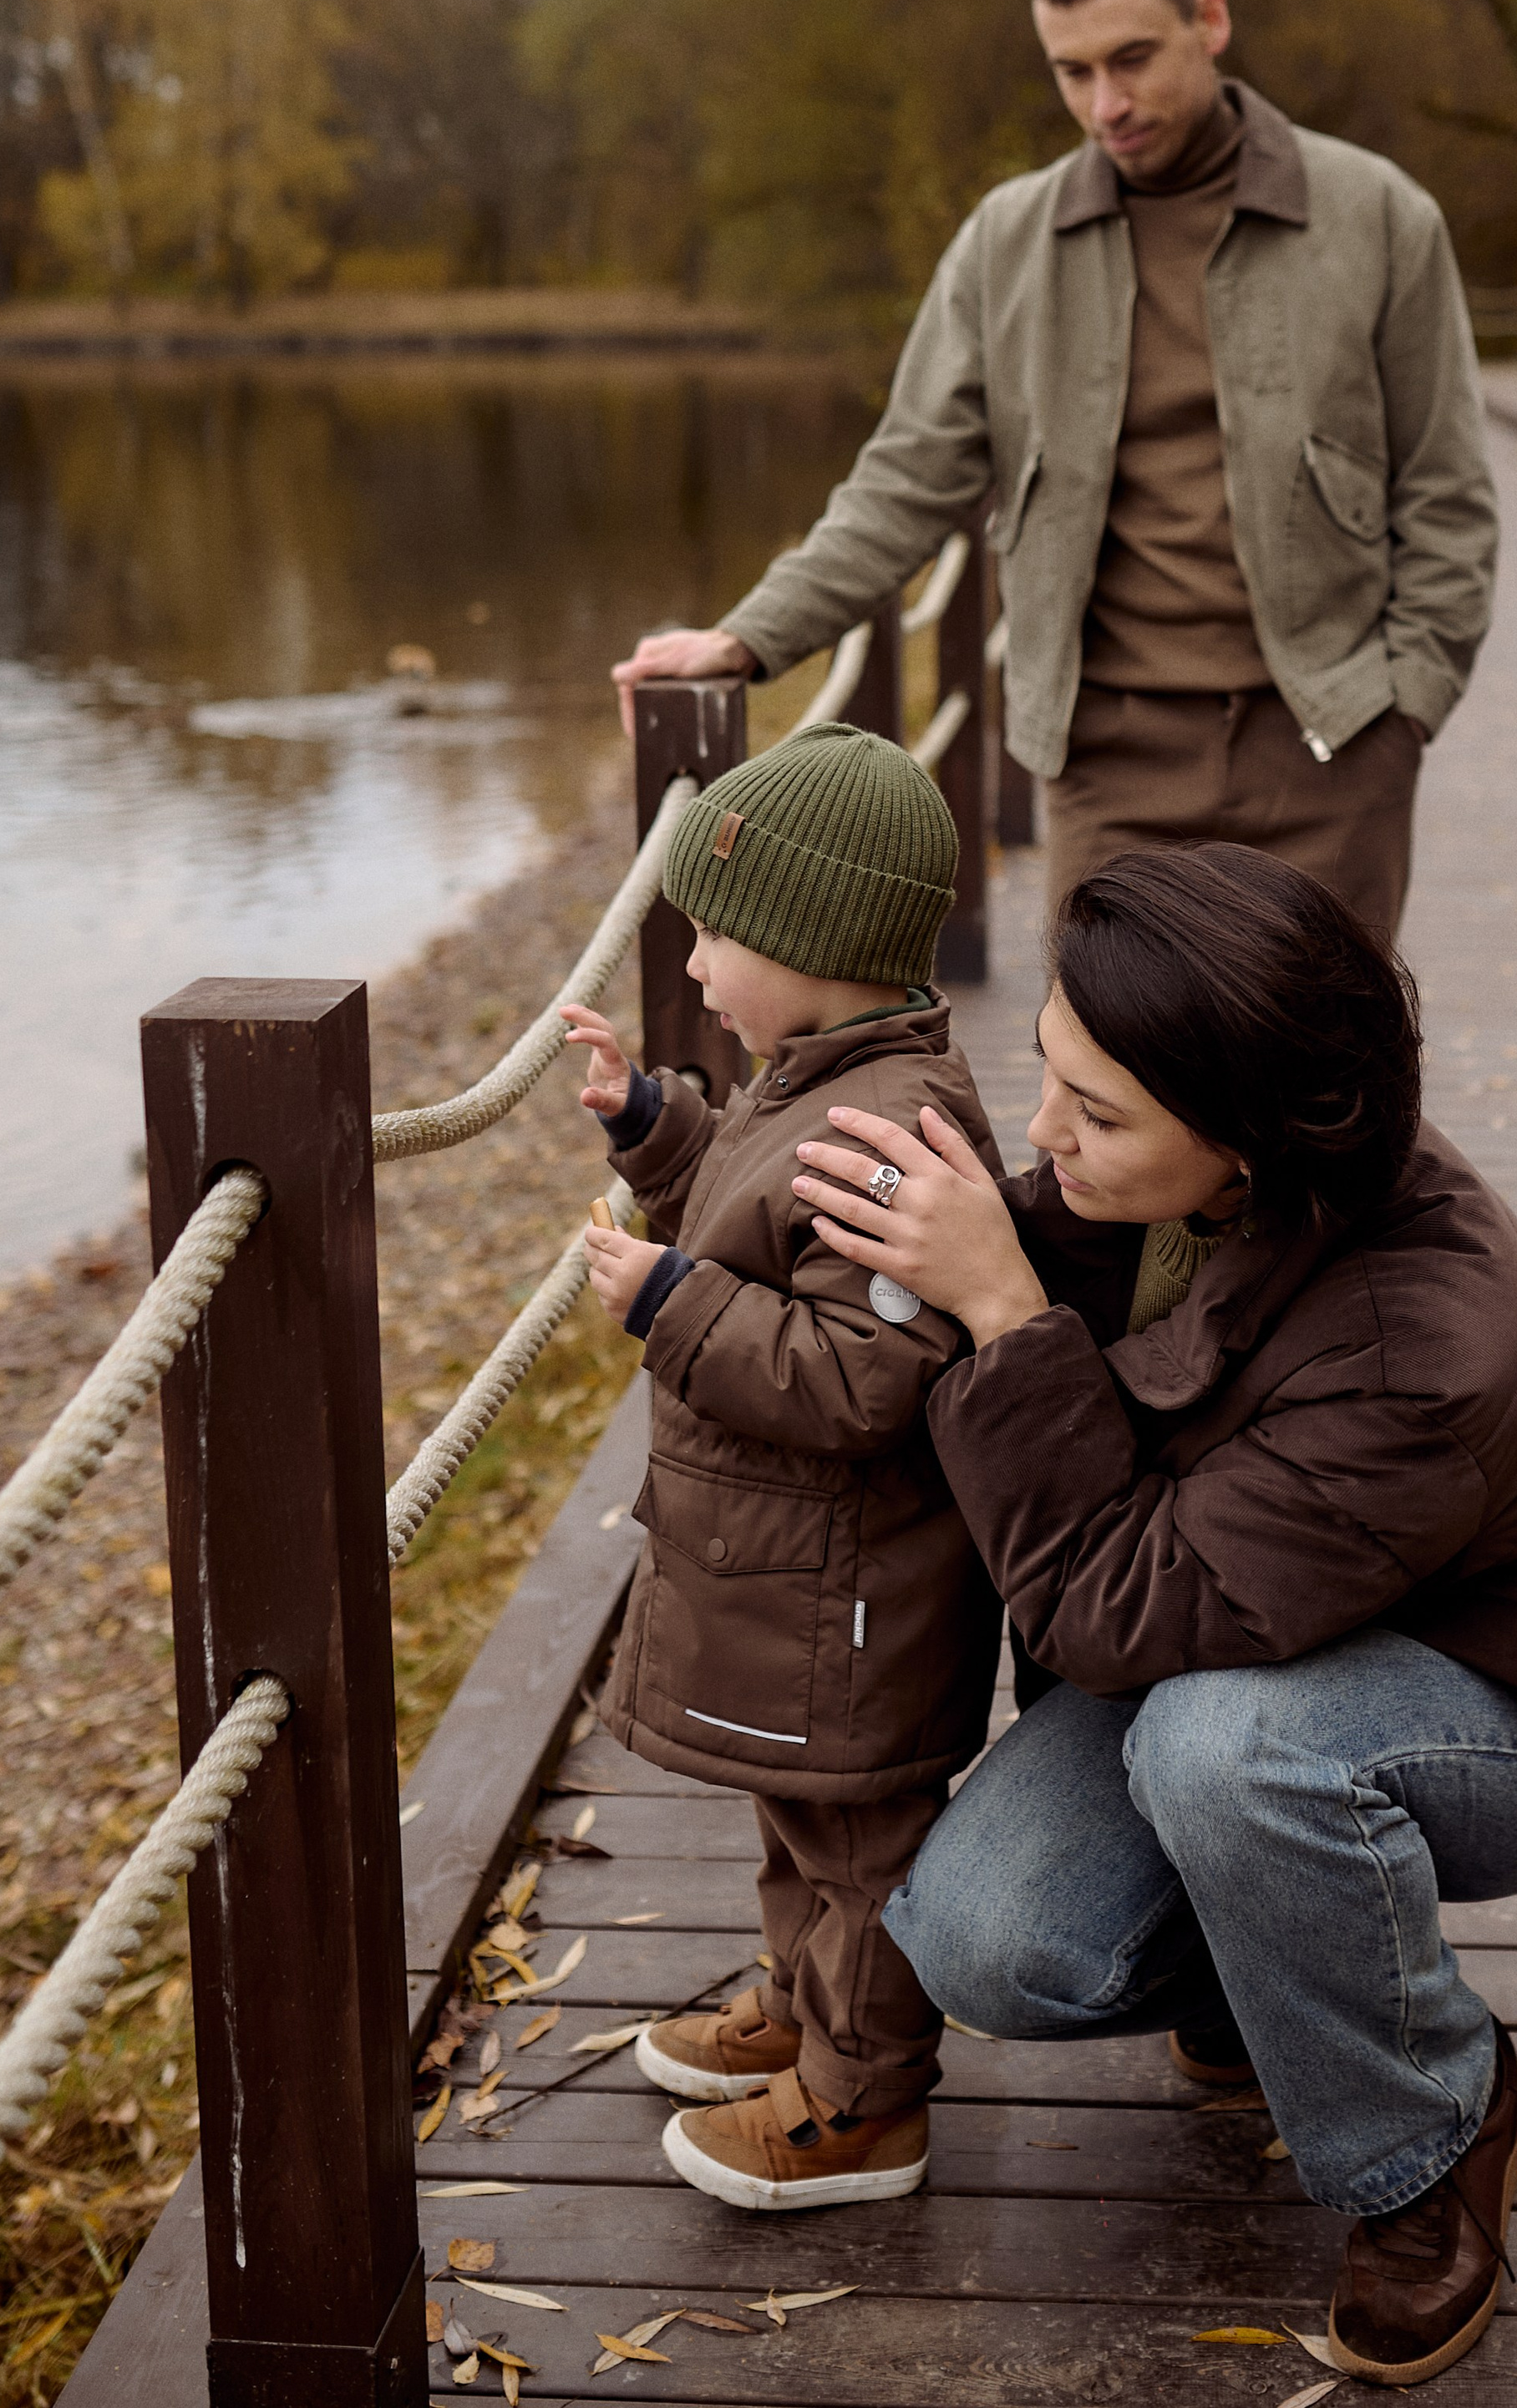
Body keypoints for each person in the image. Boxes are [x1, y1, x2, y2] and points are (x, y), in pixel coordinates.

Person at [783, 842, 1517, 2385]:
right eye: (1049, 1080)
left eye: (1096, 1115)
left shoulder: (1424, 1344)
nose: (1045, 1136)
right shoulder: (1184, 1194)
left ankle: (1431, 2134)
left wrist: (1007, 1313)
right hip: (1243, 1618)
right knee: (989, 1944)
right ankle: (1281, 1961)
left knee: (1232, 1755)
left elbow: (1106, 1609)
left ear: (1251, 1139)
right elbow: (1135, 1555)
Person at [611, 0, 1497, 940]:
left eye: (1132, 59)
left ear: (1209, 20)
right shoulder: (1008, 242)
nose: (1105, 103)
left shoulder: (1380, 217)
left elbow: (1447, 497)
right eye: (1072, 72)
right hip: (1106, 763)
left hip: (1328, 751)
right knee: (1109, 1095)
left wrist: (1405, 712)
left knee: (1324, 1095)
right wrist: (750, 635)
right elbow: (905, 480)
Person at [562, 721, 1005, 2212]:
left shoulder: (890, 1129)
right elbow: (749, 1196)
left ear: (813, 945)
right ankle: (799, 2006)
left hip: (846, 1595)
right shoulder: (816, 1070)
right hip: (783, 1579)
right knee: (792, 1813)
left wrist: (666, 1301)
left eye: (714, 936)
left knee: (858, 1833)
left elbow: (858, 1375)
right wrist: (651, 1123)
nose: (690, 968)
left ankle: (866, 2098)